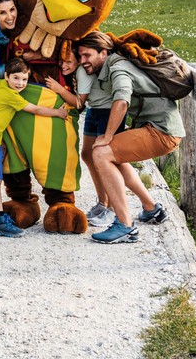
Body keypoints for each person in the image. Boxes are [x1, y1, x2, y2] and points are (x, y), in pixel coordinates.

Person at [75, 31, 184, 244]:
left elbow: (122, 101)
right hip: (157, 127)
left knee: (102, 153)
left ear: (103, 53)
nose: (82, 61)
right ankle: (151, 208)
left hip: (161, 132)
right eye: (80, 57)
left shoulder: (118, 68)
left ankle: (125, 225)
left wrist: (107, 136)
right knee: (109, 155)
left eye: (87, 55)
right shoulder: (112, 64)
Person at [0, 57, 69, 237]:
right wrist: (58, 113)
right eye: (16, 78)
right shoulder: (12, 96)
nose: (20, 83)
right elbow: (35, 109)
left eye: (24, 79)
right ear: (7, 76)